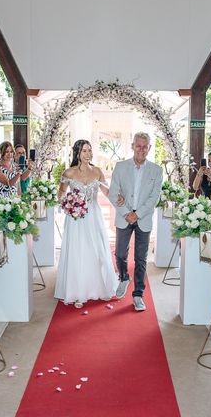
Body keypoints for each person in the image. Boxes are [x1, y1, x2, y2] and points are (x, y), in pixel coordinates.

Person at [56, 140, 118, 308]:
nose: (88, 154)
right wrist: (68, 203)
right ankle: (77, 291)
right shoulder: (68, 173)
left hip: (93, 216)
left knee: (95, 249)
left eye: (90, 150)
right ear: (77, 152)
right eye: (84, 151)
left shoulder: (97, 171)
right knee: (77, 251)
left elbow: (106, 191)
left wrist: (119, 198)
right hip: (75, 219)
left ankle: (97, 287)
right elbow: (61, 193)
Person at [109, 132, 163, 312]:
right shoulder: (121, 166)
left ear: (149, 148)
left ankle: (138, 294)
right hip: (124, 217)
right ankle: (124, 277)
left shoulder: (156, 170)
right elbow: (113, 192)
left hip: (144, 219)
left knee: (141, 259)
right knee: (119, 253)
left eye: (144, 146)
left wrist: (137, 214)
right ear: (132, 146)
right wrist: (126, 213)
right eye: (138, 146)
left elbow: (154, 197)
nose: (141, 149)